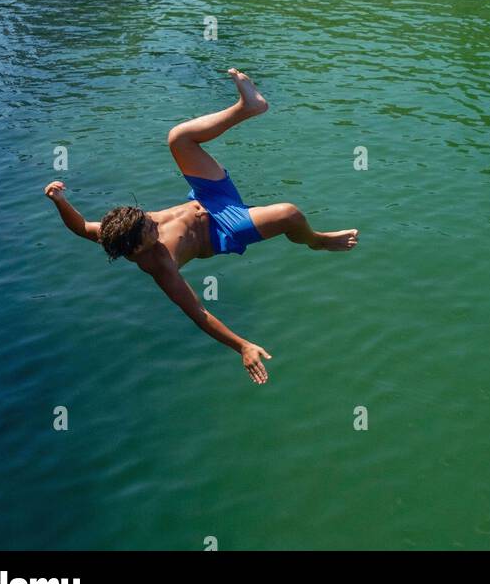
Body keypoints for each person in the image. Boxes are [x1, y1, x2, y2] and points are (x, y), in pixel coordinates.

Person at [45, 70, 359, 385]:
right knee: (289, 214)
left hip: (208, 198)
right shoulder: (160, 266)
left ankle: (248, 107)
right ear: (138, 248)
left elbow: (81, 227)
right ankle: (315, 241)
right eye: (150, 230)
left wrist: (59, 199)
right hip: (222, 228)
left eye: (148, 217)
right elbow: (199, 314)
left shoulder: (117, 229)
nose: (154, 221)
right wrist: (242, 346)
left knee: (178, 138)